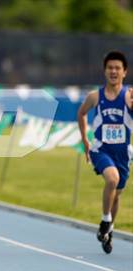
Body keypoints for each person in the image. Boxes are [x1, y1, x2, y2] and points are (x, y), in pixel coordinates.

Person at [77, 51, 133, 254]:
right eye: (110, 67)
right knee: (112, 179)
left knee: (116, 195)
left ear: (124, 72)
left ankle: (109, 230)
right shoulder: (95, 96)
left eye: (118, 68)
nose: (113, 71)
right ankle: (105, 220)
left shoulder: (129, 96)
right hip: (101, 149)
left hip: (123, 153)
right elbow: (81, 113)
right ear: (105, 71)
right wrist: (85, 139)